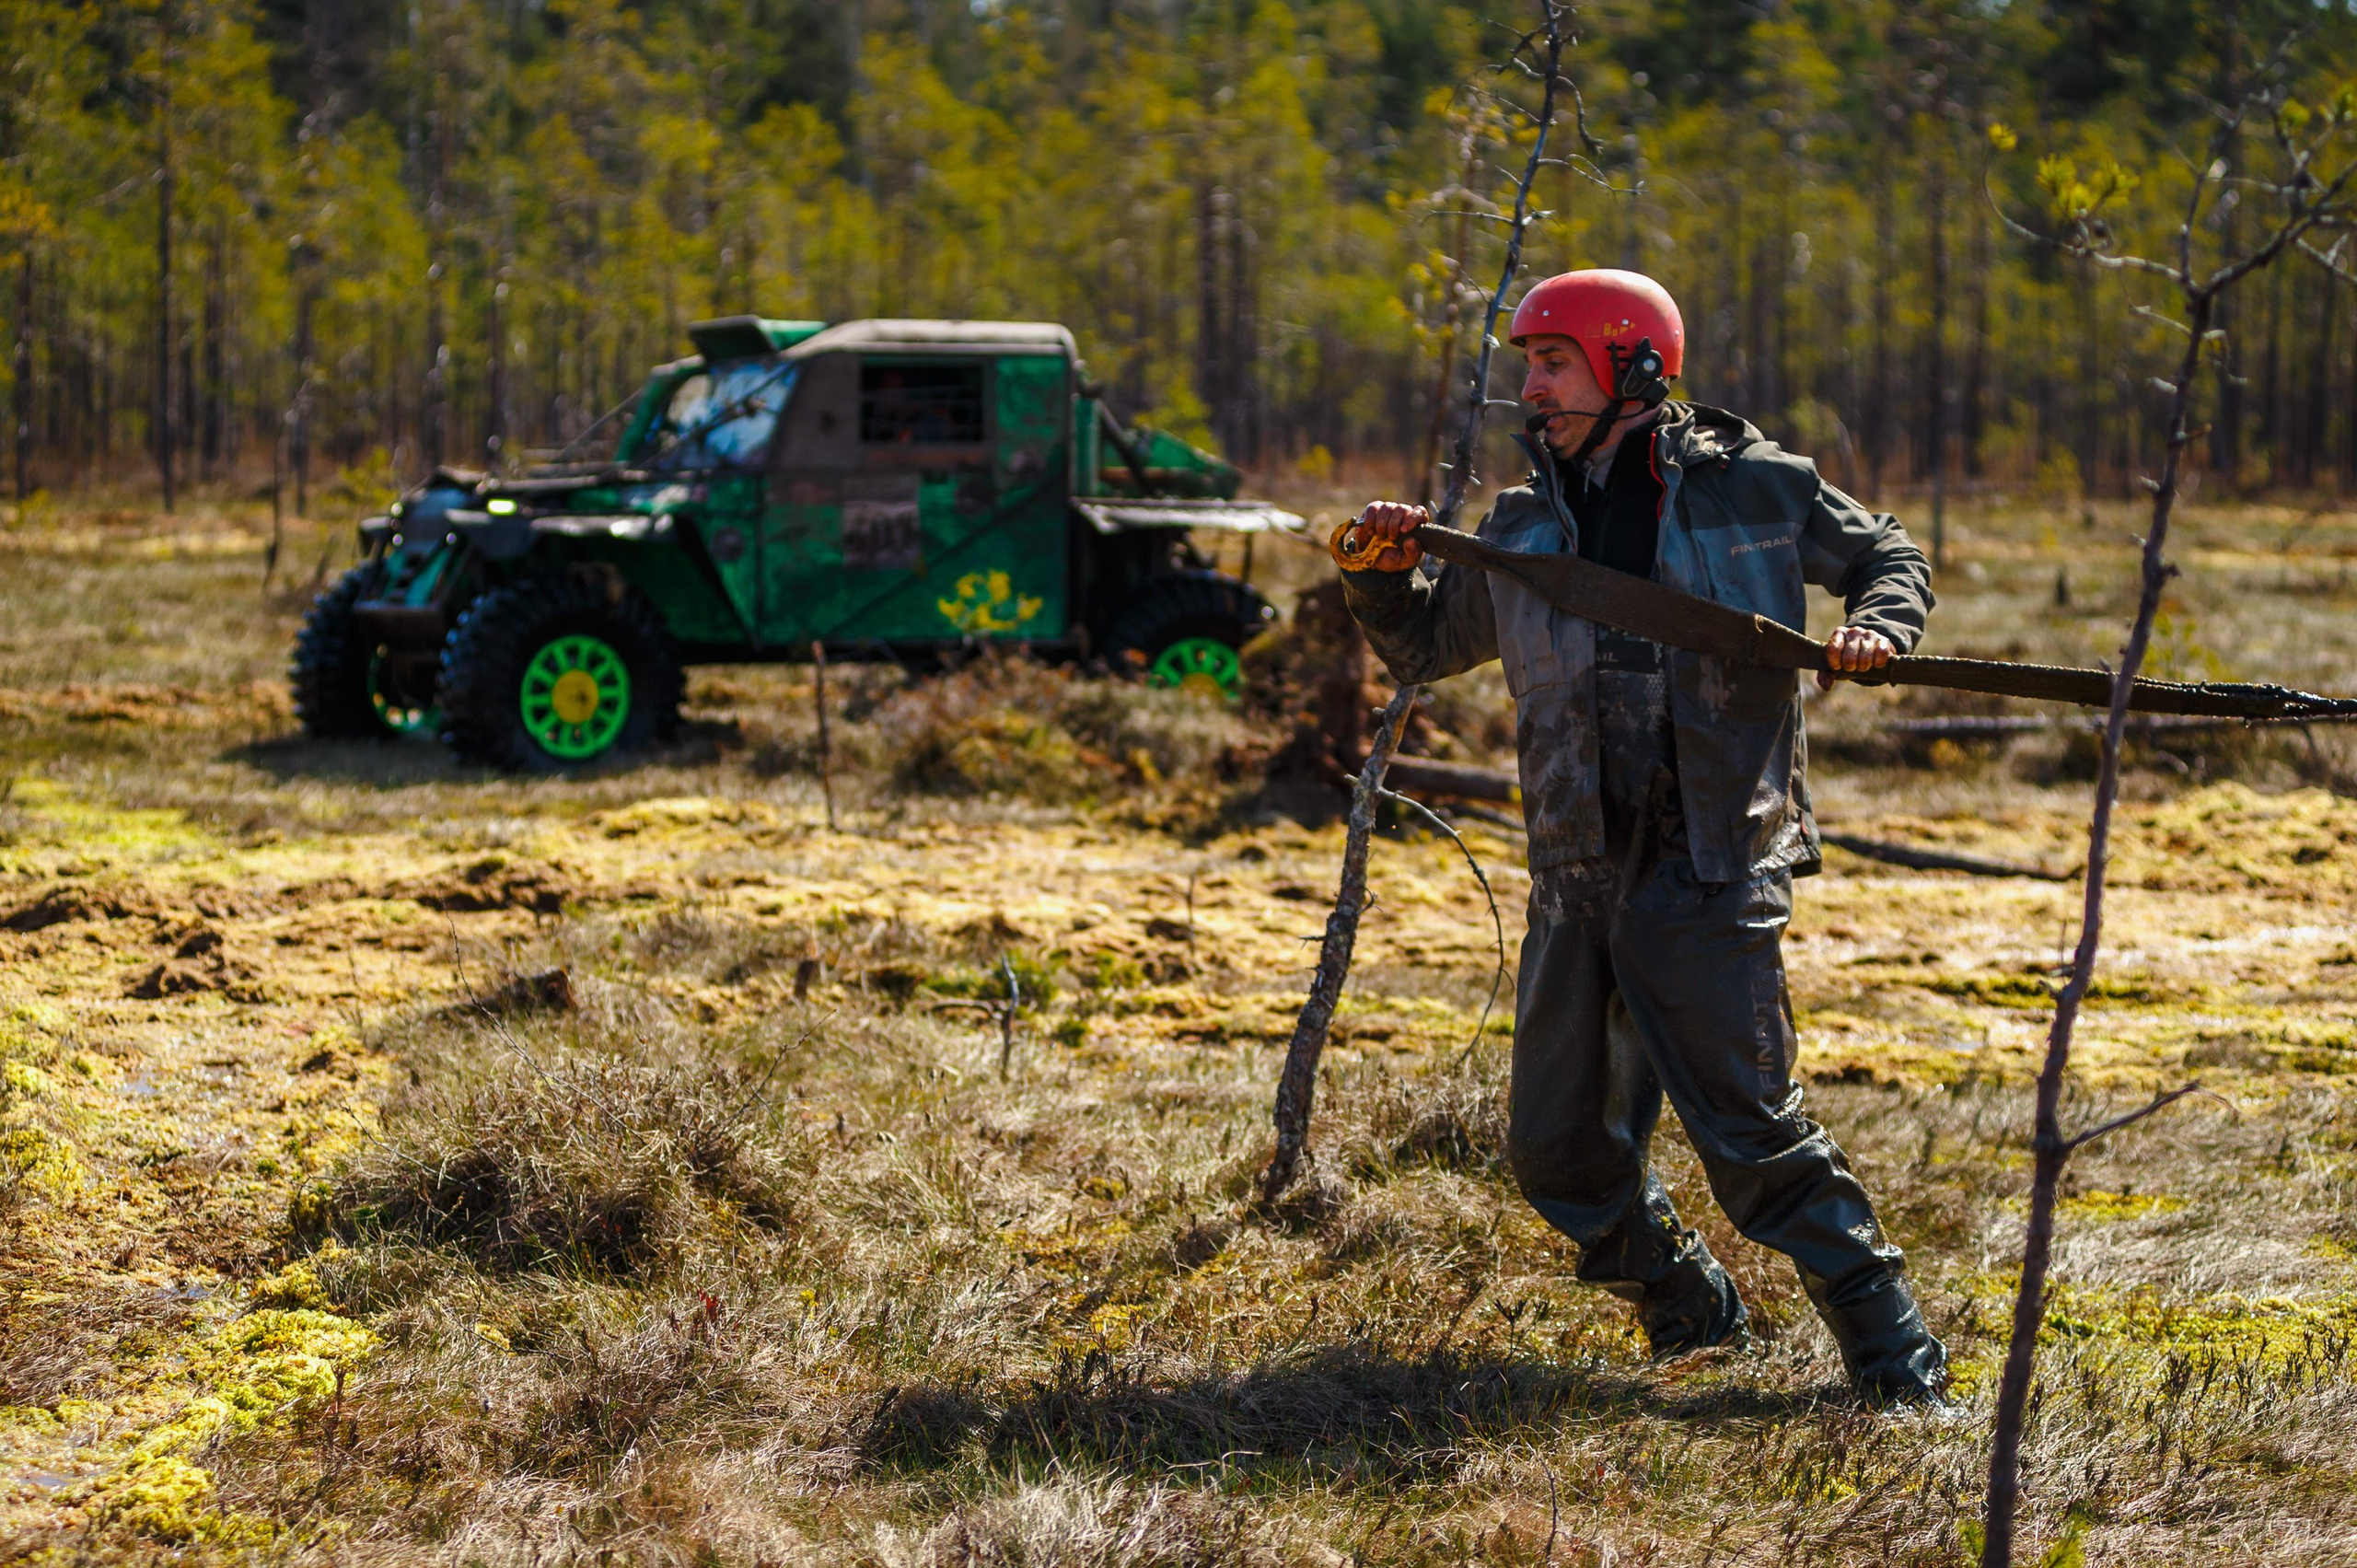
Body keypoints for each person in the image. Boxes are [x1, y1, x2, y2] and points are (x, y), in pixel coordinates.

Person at [1335, 268, 1947, 1410]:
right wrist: (1377, 578)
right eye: (1526, 363)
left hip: (1711, 861)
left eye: (1553, 361)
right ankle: (1690, 1308)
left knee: (1753, 1138)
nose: (1531, 387)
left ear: (1633, 362)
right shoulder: (1521, 525)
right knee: (1557, 1149)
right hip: (1576, 870)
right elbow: (1424, 646)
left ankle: (1899, 1366)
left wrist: (1876, 624)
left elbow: (1888, 556)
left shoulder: (1758, 487)